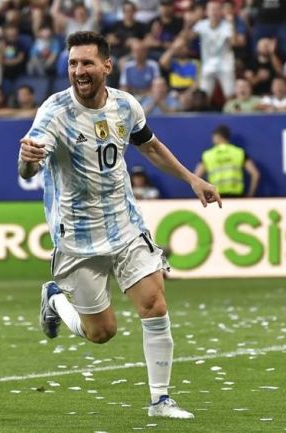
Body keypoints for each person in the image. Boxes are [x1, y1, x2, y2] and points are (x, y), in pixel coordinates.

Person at [18, 31, 221, 419]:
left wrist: (192, 179)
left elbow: (151, 147)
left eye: (87, 63)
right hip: (77, 237)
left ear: (107, 66)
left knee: (154, 303)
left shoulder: (126, 106)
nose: (79, 70)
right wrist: (27, 158)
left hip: (125, 225)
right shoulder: (53, 112)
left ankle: (160, 400)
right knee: (101, 333)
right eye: (73, 63)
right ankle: (56, 300)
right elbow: (29, 164)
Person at [194, 124, 260, 198]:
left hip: (215, 196)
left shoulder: (207, 155)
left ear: (217, 136)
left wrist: (204, 195)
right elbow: (255, 174)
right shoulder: (239, 153)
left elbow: (196, 177)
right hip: (237, 197)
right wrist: (250, 195)